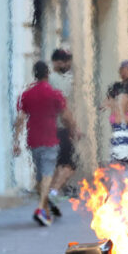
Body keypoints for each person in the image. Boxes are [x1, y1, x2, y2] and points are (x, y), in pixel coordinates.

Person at [13, 61, 78, 226]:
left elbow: (20, 119)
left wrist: (16, 141)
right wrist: (73, 129)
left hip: (33, 140)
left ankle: (46, 210)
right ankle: (41, 209)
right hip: (49, 138)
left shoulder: (26, 95)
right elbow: (66, 116)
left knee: (41, 176)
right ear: (47, 74)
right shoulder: (55, 94)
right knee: (48, 175)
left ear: (35, 74)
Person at [47, 49, 75, 214]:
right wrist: (73, 127)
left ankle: (50, 197)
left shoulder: (58, 79)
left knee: (58, 165)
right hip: (61, 127)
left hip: (52, 127)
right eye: (64, 61)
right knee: (70, 165)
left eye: (68, 61)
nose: (67, 64)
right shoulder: (56, 80)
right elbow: (63, 107)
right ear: (56, 62)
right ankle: (54, 192)